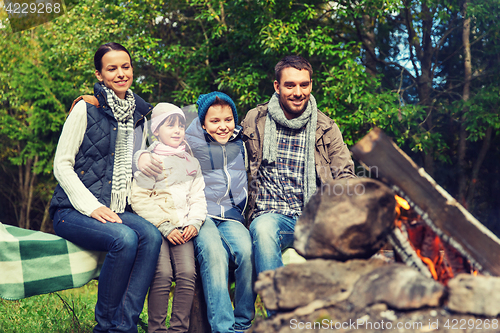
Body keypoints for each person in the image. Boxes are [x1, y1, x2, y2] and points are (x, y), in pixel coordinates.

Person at [49, 42, 162, 333]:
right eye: (112, 68)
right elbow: (62, 164)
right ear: (99, 74)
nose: (121, 73)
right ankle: (105, 326)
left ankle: (125, 325)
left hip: (117, 206)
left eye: (126, 66)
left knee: (150, 235)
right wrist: (92, 206)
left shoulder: (139, 114)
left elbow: (134, 159)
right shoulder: (86, 108)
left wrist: (144, 157)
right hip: (72, 210)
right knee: (124, 238)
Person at [139, 92, 256, 333]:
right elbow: (154, 144)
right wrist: (139, 155)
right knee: (214, 254)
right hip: (199, 215)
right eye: (214, 121)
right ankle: (223, 328)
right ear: (202, 123)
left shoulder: (242, 141)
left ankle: (243, 323)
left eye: (228, 119)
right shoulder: (187, 141)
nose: (223, 126)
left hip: (232, 216)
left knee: (247, 252)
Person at [241, 55, 356, 278]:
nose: (298, 92)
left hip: (314, 217)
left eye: (304, 85)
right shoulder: (256, 119)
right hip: (270, 216)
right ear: (277, 86)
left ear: (311, 85)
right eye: (290, 85)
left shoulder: (326, 127)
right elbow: (226, 148)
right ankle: (278, 310)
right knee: (263, 230)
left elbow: (345, 174)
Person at [131, 103, 207, 333]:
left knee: (187, 274)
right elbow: (139, 199)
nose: (177, 130)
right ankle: (156, 329)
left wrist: (195, 221)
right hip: (158, 229)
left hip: (184, 229)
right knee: (162, 274)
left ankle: (178, 329)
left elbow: (198, 196)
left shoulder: (191, 162)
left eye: (181, 125)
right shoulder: (150, 160)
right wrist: (164, 225)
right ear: (156, 131)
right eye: (170, 125)